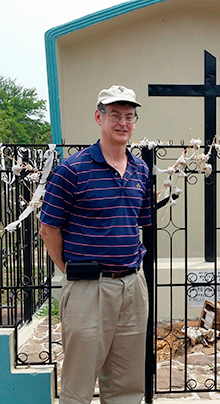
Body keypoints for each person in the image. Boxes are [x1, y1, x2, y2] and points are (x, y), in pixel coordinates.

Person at [39, 85, 151, 404]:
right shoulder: (72, 170)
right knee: (79, 383)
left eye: (129, 116)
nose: (122, 122)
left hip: (132, 285)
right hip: (89, 288)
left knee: (127, 384)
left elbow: (137, 223)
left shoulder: (141, 171)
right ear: (98, 117)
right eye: (114, 115)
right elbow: (49, 229)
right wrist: (69, 270)